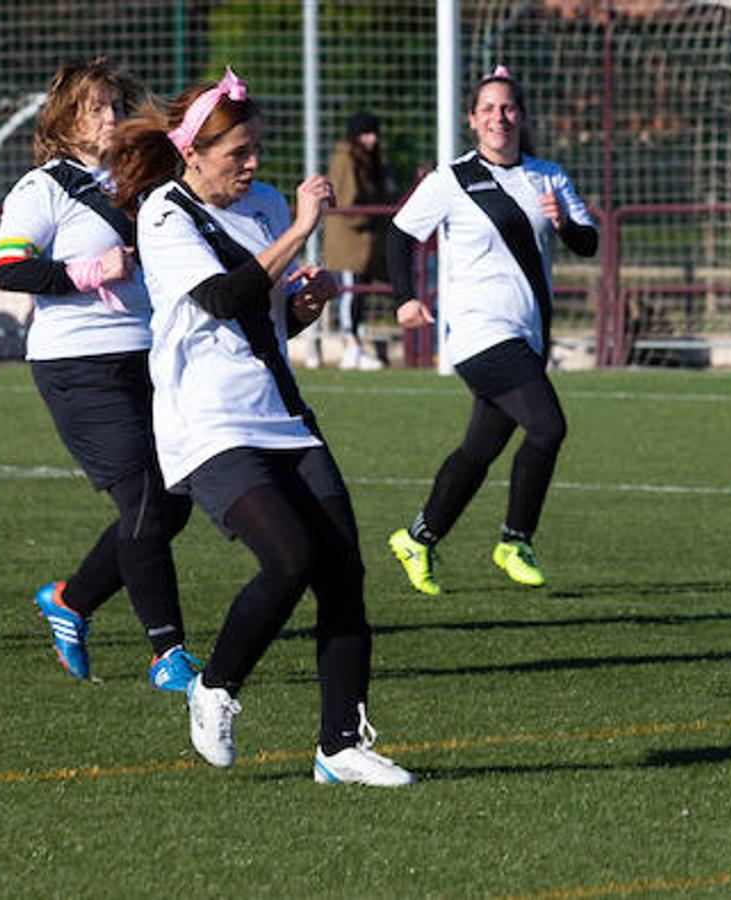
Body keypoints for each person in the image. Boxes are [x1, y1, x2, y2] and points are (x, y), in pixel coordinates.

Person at [112, 67, 413, 787]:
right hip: (209, 422)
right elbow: (220, 296)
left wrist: (306, 303)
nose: (251, 166)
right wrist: (307, 232)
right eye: (236, 154)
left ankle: (339, 746)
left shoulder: (269, 203)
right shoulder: (164, 212)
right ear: (193, 155)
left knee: (343, 571)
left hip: (281, 411)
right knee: (288, 558)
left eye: (255, 151)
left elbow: (267, 308)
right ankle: (214, 686)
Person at [0, 57, 200, 691]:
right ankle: (169, 652)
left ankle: (73, 600)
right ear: (66, 119)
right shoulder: (42, 189)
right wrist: (86, 274)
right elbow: (10, 268)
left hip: (147, 356)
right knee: (140, 497)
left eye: (115, 105)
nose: (109, 116)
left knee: (174, 504)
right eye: (94, 107)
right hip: (75, 363)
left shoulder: (139, 179)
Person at [384, 67, 598, 596]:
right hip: (478, 334)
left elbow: (588, 243)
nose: (498, 118)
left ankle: (418, 538)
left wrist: (566, 225)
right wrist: (405, 298)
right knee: (548, 427)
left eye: (507, 108)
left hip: (527, 336)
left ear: (520, 117)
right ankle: (514, 540)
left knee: (479, 450)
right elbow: (398, 234)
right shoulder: (451, 179)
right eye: (488, 109)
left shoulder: (548, 175)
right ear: (472, 120)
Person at [318, 111, 398, 371]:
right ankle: (351, 345)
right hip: (350, 238)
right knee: (351, 293)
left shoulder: (371, 158)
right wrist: (371, 217)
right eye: (366, 133)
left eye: (374, 133)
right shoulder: (346, 158)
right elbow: (346, 201)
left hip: (363, 239)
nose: (372, 139)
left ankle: (354, 342)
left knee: (359, 293)